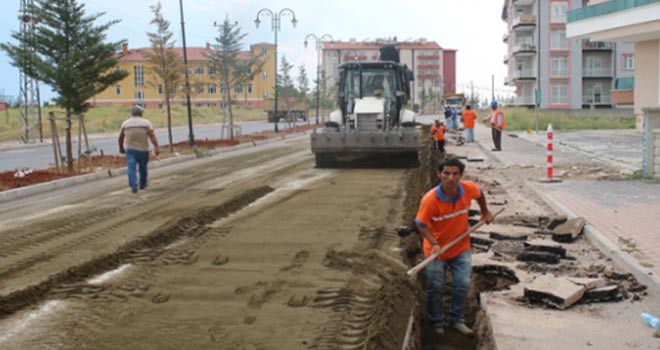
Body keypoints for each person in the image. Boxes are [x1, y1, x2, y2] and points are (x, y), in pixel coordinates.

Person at [415, 157, 493, 336]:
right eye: (446, 173)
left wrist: (485, 212)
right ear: (439, 174)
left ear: (461, 175)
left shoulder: (467, 189)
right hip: (436, 251)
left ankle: (456, 319)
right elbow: (420, 224)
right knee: (435, 287)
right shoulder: (431, 200)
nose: (451, 178)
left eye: (455, 174)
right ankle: (436, 321)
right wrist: (434, 243)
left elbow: (479, 193)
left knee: (462, 284)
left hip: (460, 248)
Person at [118, 105, 160, 193]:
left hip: (130, 149)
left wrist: (121, 148)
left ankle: (133, 185)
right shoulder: (146, 123)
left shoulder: (125, 123)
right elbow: (152, 135)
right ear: (140, 113)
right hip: (143, 149)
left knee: (131, 167)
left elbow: (120, 137)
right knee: (143, 167)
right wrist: (156, 146)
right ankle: (142, 184)